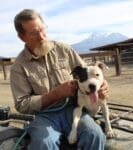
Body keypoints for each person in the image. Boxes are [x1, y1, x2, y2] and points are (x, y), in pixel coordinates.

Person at [10, 9, 109, 150]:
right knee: (44, 143)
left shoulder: (64, 49)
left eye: (42, 30)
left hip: (75, 109)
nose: (41, 37)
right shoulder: (18, 67)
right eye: (34, 33)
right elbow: (22, 104)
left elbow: (89, 72)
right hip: (45, 116)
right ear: (22, 37)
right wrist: (55, 94)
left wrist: (102, 85)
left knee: (94, 134)